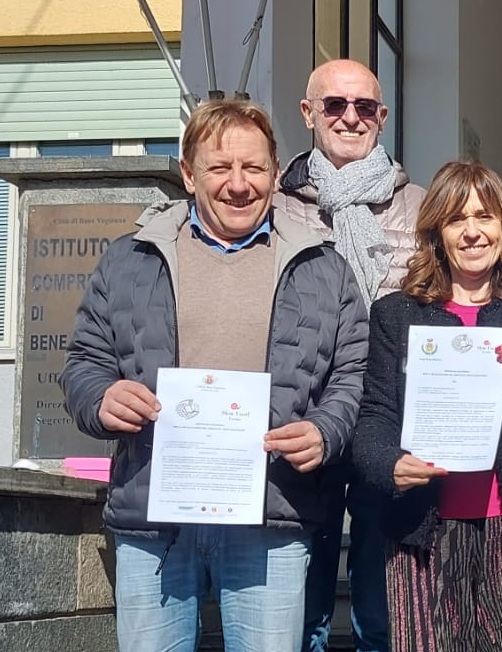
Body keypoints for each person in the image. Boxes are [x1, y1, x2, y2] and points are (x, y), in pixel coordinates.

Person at [59, 98, 368, 652]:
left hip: (272, 513)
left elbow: (352, 375)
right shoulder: (130, 260)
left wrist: (326, 431)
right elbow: (84, 361)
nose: (238, 184)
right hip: (154, 518)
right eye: (220, 167)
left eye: (253, 168)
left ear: (276, 173)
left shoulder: (324, 267)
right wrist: (101, 398)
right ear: (188, 173)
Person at [353, 160, 502, 652]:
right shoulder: (396, 314)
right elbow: (375, 417)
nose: (472, 232)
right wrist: (389, 464)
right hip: (422, 531)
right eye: (456, 219)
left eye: (484, 217)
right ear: (437, 232)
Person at [272, 58, 425, 652]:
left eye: (364, 106)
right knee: (302, 598)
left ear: (382, 117)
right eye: (334, 104)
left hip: (388, 415)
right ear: (308, 113)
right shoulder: (275, 206)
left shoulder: (420, 207)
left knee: (380, 598)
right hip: (303, 415)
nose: (350, 117)